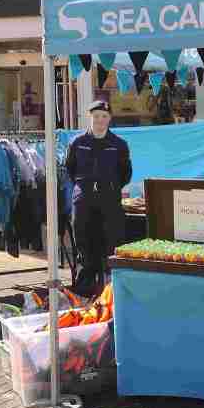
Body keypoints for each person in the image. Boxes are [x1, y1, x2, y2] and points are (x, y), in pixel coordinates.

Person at [66, 100, 132, 296]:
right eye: (96, 116)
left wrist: (110, 187)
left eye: (104, 116)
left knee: (112, 241)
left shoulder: (119, 144)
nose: (100, 120)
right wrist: (85, 186)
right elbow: (70, 169)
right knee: (84, 240)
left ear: (109, 119)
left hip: (109, 198)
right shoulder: (78, 143)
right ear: (90, 117)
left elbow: (125, 173)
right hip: (84, 198)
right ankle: (86, 288)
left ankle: (111, 290)